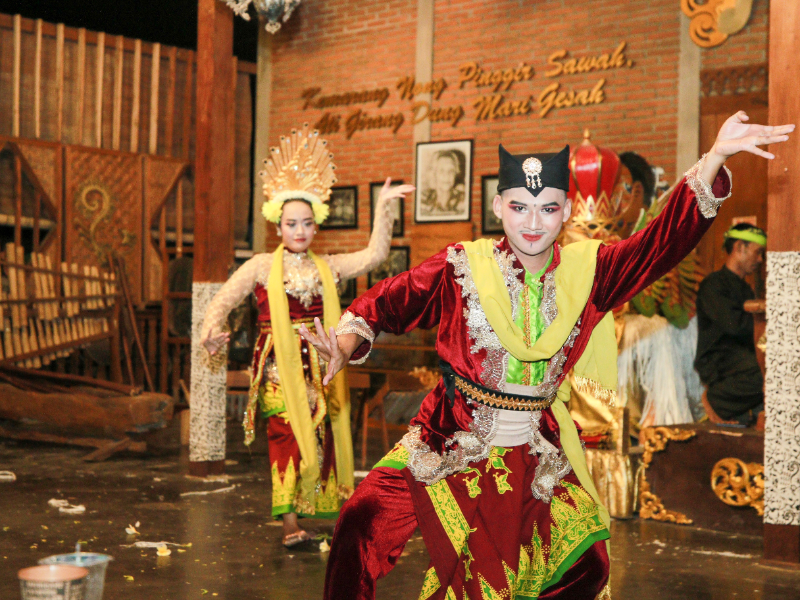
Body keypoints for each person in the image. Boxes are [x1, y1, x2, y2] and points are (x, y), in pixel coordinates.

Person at [302, 111, 793, 600]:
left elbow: (661, 244)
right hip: (450, 437)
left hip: (535, 452)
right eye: (519, 207)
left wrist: (715, 158)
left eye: (548, 209)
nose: (533, 223)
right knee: (359, 522)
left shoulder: (592, 270)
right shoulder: (460, 267)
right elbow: (386, 302)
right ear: (499, 206)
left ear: (565, 210)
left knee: (587, 567)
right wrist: (345, 344)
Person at [201, 124, 414, 547]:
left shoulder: (329, 266)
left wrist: (384, 207)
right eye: (290, 223)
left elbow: (375, 255)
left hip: (322, 363)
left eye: (306, 224)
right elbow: (222, 301)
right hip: (278, 366)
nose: (299, 231)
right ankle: (288, 522)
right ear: (277, 225)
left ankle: (325, 512)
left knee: (324, 439)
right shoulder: (261, 266)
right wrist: (210, 332)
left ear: (316, 226)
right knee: (285, 437)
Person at [694, 222, 767, 426]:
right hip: (719, 358)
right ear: (739, 248)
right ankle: (718, 402)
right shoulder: (714, 284)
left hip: (741, 356)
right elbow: (734, 325)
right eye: (758, 252)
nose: (760, 260)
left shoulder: (745, 289)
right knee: (766, 369)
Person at [420, 150, 466, 215]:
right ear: (434, 174)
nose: (446, 175)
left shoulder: (463, 199)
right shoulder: (423, 199)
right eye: (441, 171)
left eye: (451, 171)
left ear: (456, 174)